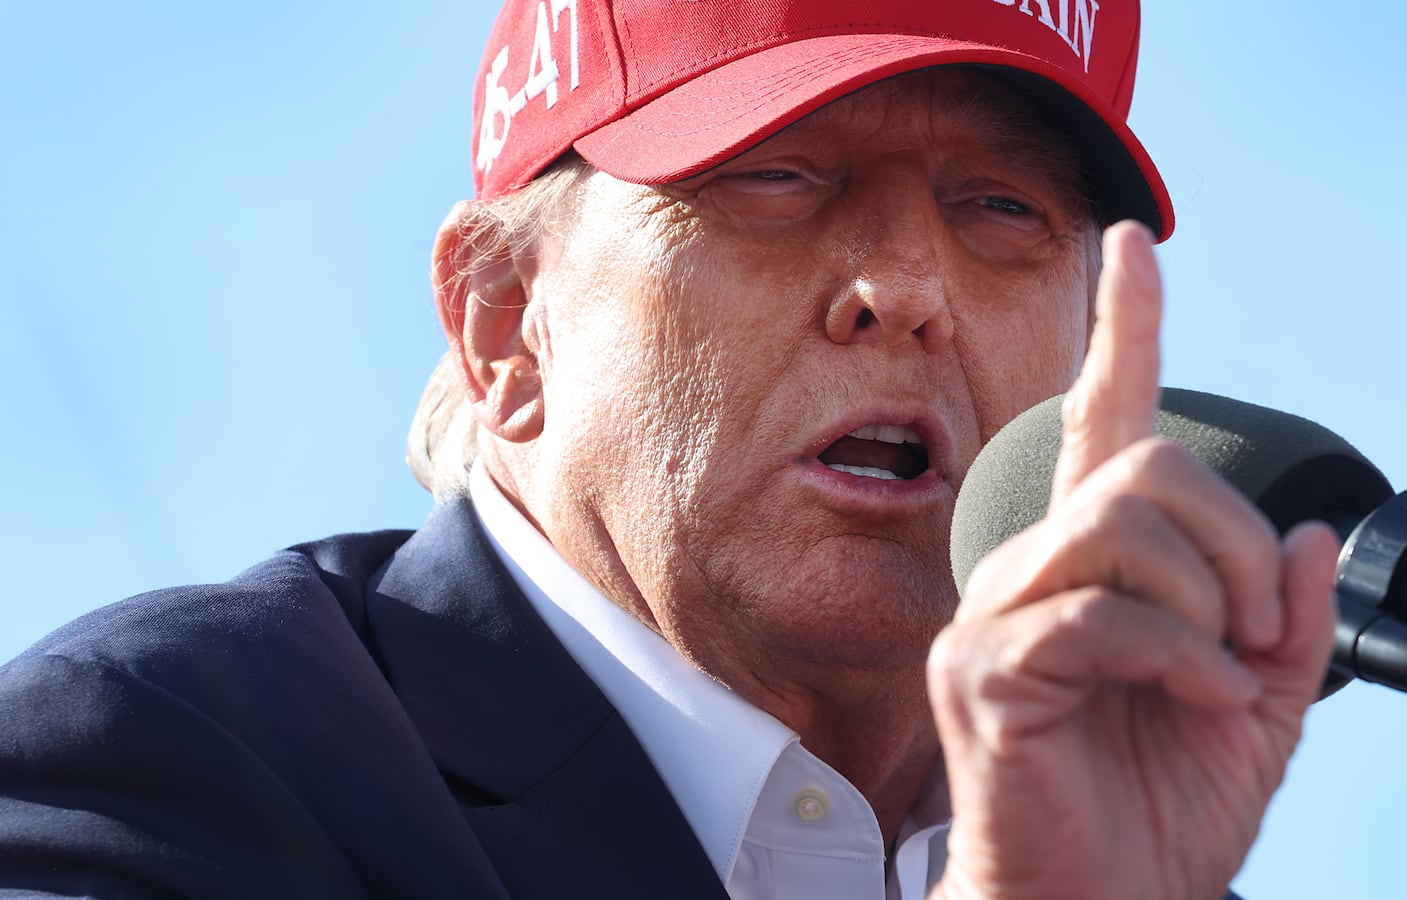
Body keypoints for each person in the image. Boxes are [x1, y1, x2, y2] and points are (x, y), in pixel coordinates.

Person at [0, 1, 1339, 898]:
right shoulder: (158, 760)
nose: (909, 284)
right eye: (775, 176)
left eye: (999, 207)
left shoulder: (1130, 830)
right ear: (505, 322)